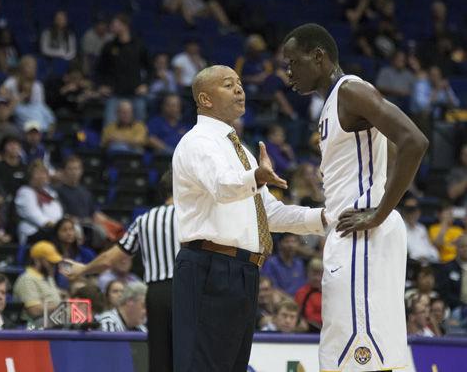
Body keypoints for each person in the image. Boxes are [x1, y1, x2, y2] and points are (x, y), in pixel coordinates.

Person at [282, 23, 428, 372]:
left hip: (363, 234)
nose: (288, 73)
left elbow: (414, 141)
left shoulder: (351, 91)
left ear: (318, 57)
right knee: (348, 352)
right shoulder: (333, 104)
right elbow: (388, 153)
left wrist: (378, 211)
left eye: (293, 62)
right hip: (354, 234)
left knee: (360, 356)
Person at [172, 65, 326, 372]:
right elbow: (222, 187)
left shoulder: (240, 149)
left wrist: (326, 218)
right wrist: (256, 176)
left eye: (240, 83)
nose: (240, 89)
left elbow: (268, 214)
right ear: (205, 99)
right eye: (228, 85)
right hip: (210, 265)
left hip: (243, 269)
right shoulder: (198, 141)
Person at [67, 170, 178, 372]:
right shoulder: (195, 215)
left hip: (155, 293)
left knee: (160, 359)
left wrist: (83, 269)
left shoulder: (145, 220)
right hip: (187, 291)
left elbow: (111, 257)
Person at [13, 240, 63, 327]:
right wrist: (63, 306)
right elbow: (34, 310)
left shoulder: (48, 277)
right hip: (35, 324)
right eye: (50, 263)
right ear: (37, 260)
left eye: (55, 263)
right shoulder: (27, 279)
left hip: (54, 319)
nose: (54, 266)